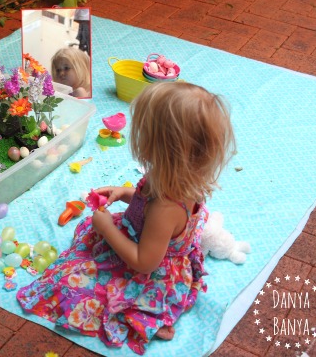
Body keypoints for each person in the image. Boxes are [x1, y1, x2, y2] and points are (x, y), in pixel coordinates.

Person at [16, 82, 236, 355]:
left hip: (149, 270)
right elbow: (148, 203)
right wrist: (125, 194)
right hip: (148, 239)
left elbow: (144, 262)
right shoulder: (177, 175)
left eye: (144, 131)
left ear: (163, 147)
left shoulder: (165, 207)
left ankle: (150, 318)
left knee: (74, 289)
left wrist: (107, 228)